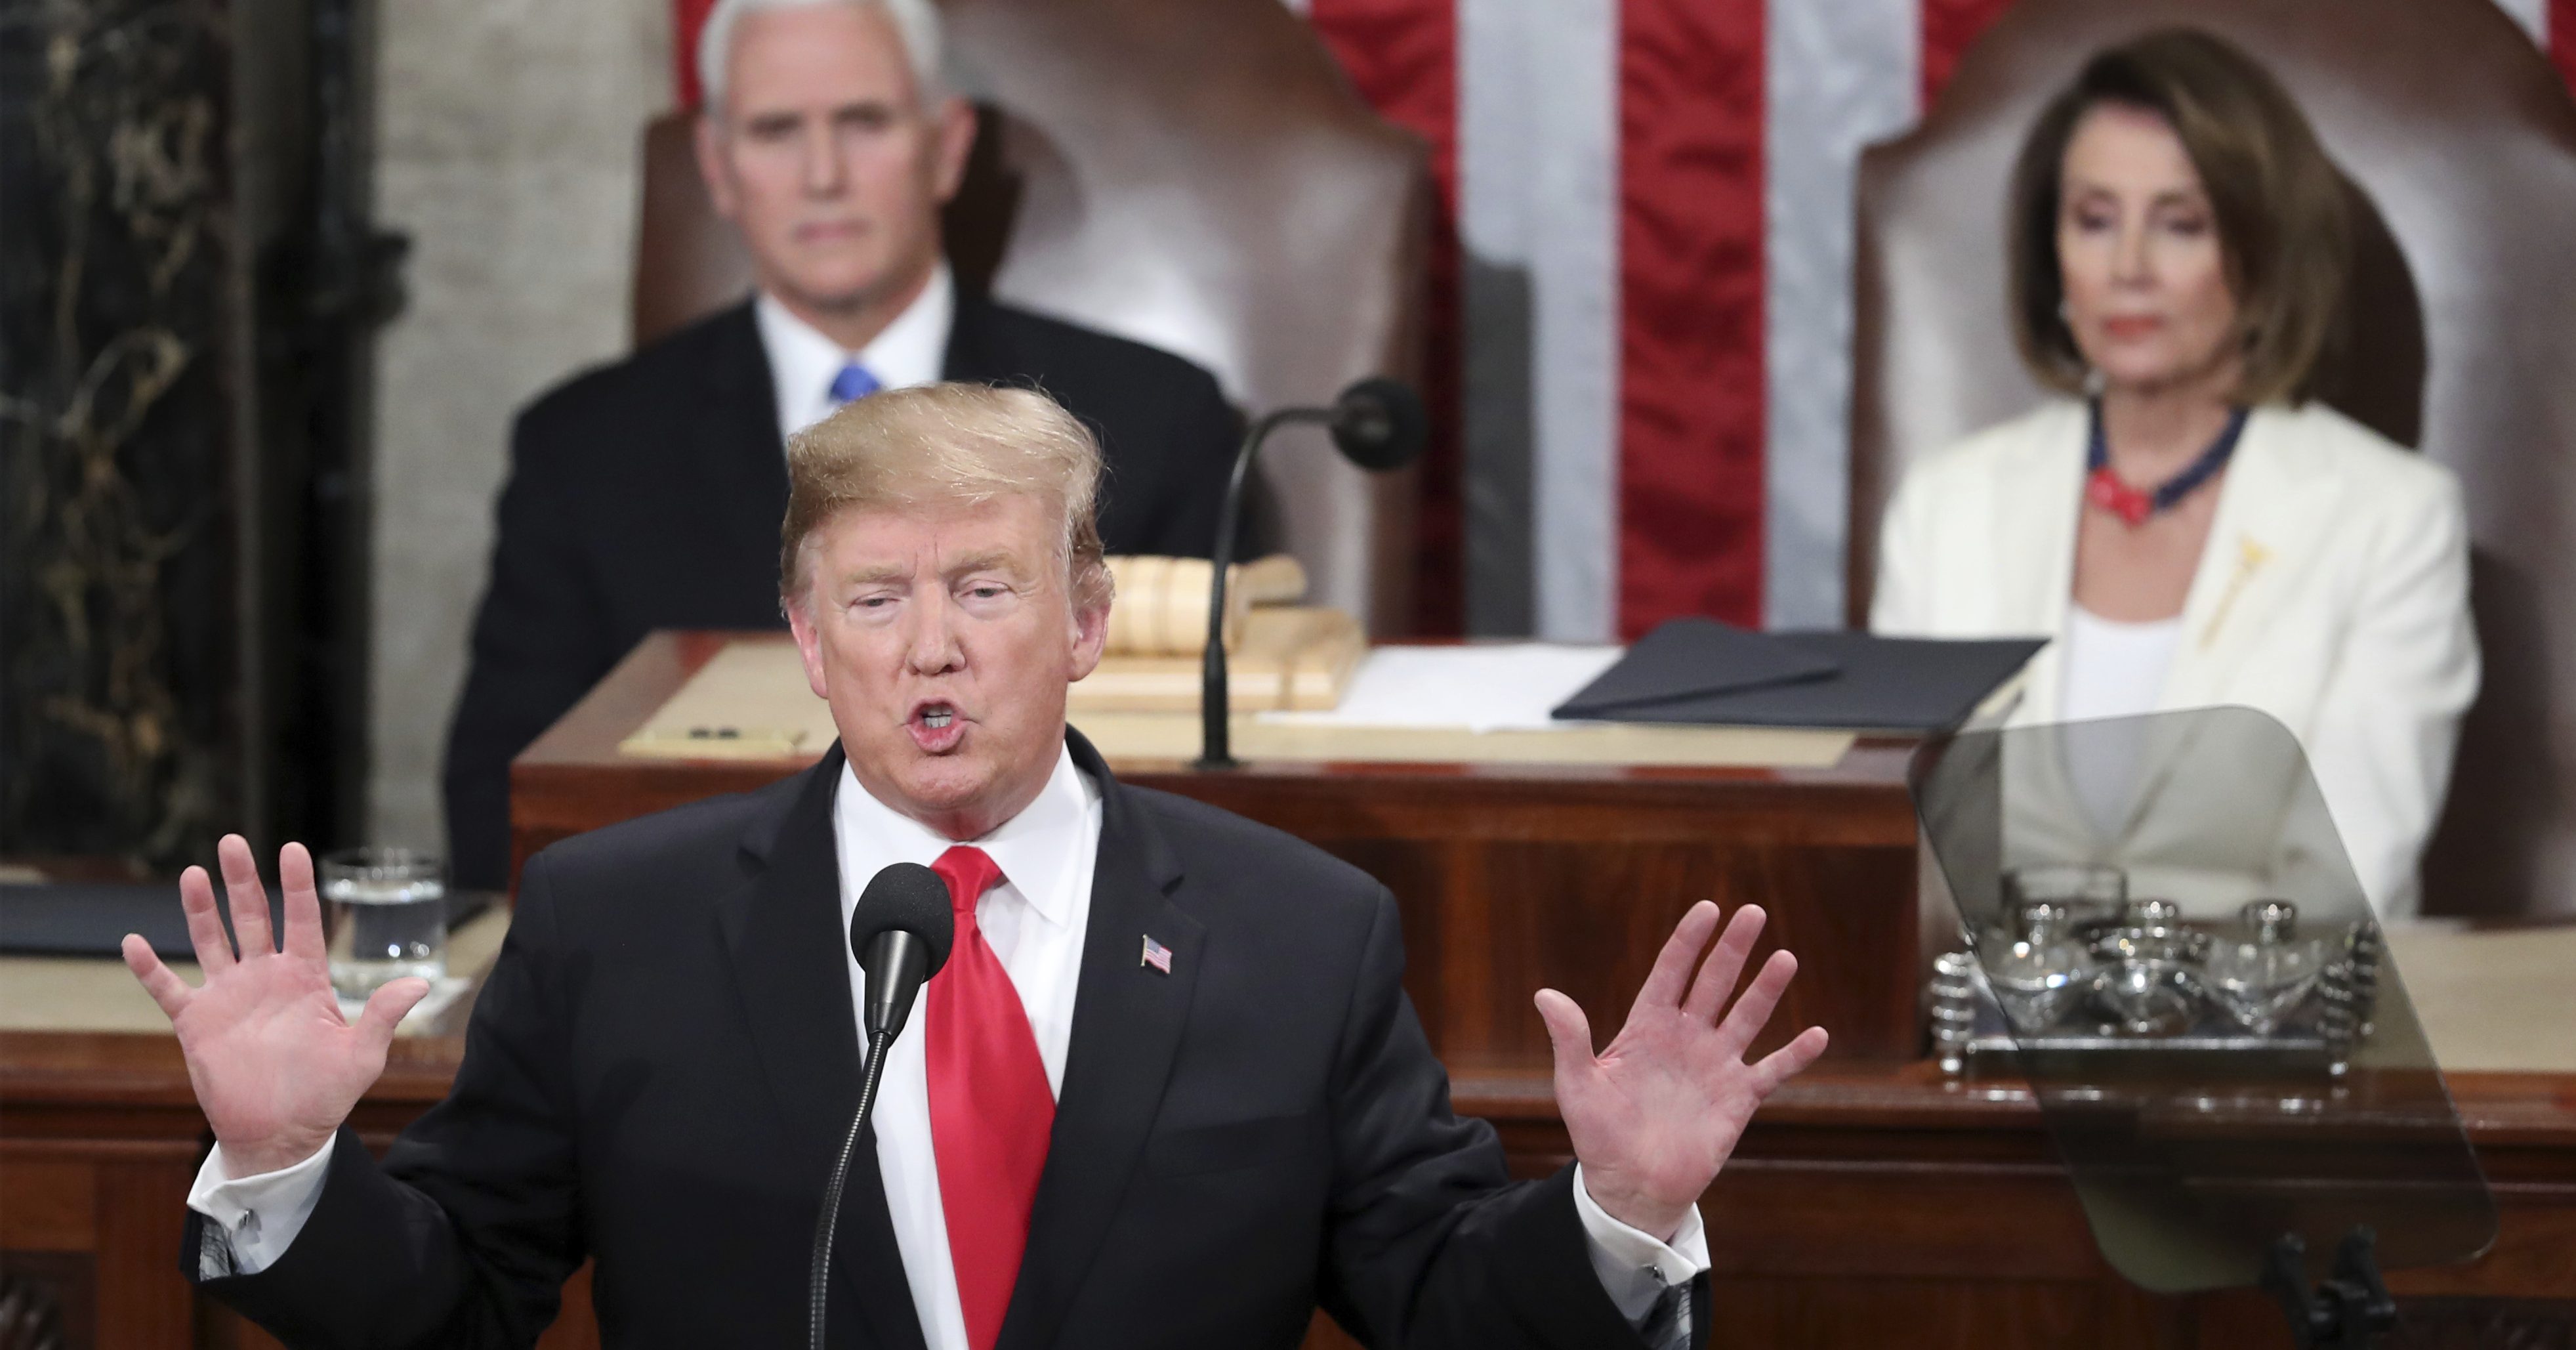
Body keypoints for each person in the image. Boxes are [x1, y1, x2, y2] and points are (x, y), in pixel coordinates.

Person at [128, 383, 1830, 1350]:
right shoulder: (615, 922)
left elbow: (1449, 1314)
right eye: (875, 599)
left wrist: (1618, 1211)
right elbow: (456, 1313)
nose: (928, 651)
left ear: (1088, 621)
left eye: (985, 591)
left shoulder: (1292, 933)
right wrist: (284, 1166)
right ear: (805, 633)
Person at [442, 0, 1245, 893]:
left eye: (862, 122)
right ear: (717, 165)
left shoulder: (1146, 419)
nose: (822, 175)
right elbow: (500, 804)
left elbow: (1210, 788)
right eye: (776, 130)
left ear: (945, 146)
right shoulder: (585, 450)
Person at [1870, 28, 2477, 918]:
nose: (2128, 270)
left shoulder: (2391, 518)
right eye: (2093, 219)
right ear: (2053, 256)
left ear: (2261, 252)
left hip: (2265, 1038)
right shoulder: (1946, 505)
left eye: (2179, 224)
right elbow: (1906, 855)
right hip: (1983, 1030)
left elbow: (2345, 882)